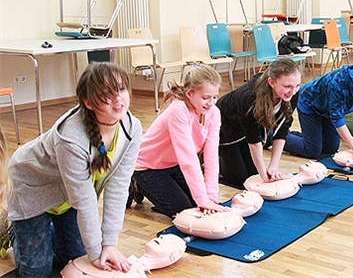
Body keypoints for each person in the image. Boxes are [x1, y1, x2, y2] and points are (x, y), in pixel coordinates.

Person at [7, 62, 141, 277]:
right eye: (106, 93)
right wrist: (97, 254)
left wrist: (109, 245)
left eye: (121, 89)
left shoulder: (132, 128)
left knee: (75, 256)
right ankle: (17, 229)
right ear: (88, 102)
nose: (118, 99)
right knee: (36, 271)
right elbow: (85, 201)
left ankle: (44, 231)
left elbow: (118, 187)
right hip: (32, 189)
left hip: (68, 197)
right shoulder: (71, 138)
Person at [132, 64, 227, 218]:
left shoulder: (214, 113)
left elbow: (211, 157)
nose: (211, 103)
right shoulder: (178, 110)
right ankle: (136, 183)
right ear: (189, 93)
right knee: (186, 211)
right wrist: (202, 199)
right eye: (205, 98)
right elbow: (188, 159)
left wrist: (211, 198)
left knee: (201, 207)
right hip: (147, 167)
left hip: (172, 164)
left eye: (215, 97)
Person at [217, 58, 302, 189]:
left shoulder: (293, 94)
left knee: (251, 174)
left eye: (297, 85)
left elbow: (282, 131)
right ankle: (210, 158)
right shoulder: (250, 97)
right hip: (225, 126)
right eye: (287, 86)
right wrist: (264, 176)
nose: (293, 91)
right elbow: (254, 141)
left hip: (245, 128)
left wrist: (273, 167)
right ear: (271, 82)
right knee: (239, 178)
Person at [284, 64, 353, 159]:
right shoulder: (339, 81)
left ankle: (305, 137)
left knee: (331, 149)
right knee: (312, 151)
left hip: (328, 112)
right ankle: (275, 137)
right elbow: (336, 118)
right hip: (310, 105)